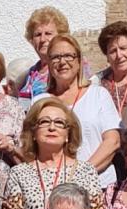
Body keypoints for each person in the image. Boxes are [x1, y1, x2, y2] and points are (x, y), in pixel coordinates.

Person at [2, 98, 108, 209]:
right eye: (44, 122)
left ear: (68, 134)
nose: (52, 127)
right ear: (33, 132)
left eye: (59, 123)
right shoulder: (18, 173)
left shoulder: (86, 171)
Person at [44, 33, 122, 187]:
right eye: (55, 57)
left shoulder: (98, 95)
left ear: (79, 62)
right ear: (49, 63)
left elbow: (113, 141)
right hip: (53, 188)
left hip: (98, 185)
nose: (62, 62)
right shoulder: (40, 102)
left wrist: (79, 175)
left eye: (68, 56)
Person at [15, 6, 72, 99]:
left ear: (60, 36)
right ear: (32, 40)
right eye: (38, 35)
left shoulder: (68, 67)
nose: (42, 39)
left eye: (48, 33)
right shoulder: (31, 73)